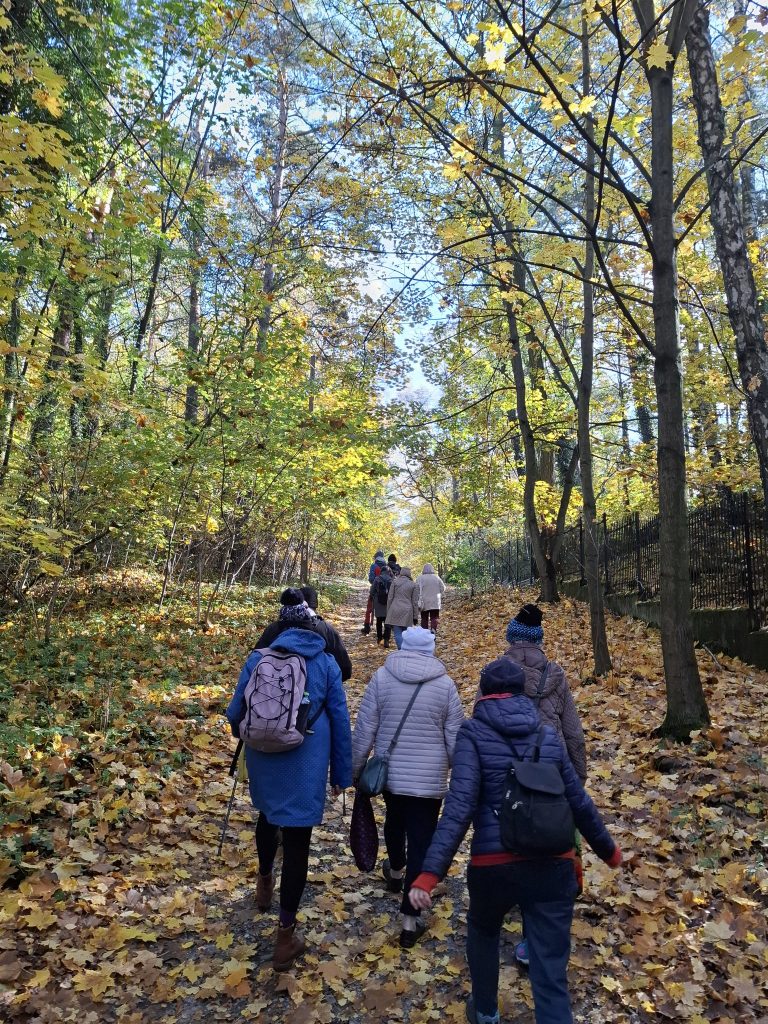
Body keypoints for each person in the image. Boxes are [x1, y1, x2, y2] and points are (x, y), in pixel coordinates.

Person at [408, 658, 622, 1024]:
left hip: (494, 865)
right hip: (553, 863)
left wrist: (429, 874)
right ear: (523, 693)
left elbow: (459, 807)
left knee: (483, 930)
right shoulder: (547, 736)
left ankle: (486, 1012)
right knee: (550, 968)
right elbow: (578, 802)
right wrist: (610, 852)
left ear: (483, 693)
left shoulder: (472, 734)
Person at [226, 602, 352, 972]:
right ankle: (285, 937)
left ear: (282, 628)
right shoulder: (326, 664)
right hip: (306, 762)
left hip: (264, 757)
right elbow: (340, 721)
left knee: (268, 817)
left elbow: (235, 713)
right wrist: (341, 775)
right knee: (298, 842)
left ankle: (264, 880)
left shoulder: (259, 658)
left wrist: (253, 738)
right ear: (313, 629)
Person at [352, 627, 464, 948]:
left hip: (392, 775)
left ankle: (396, 871)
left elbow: (365, 729)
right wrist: (456, 772)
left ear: (402, 647)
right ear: (431, 650)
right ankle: (409, 922)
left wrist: (355, 770)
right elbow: (455, 741)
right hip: (429, 781)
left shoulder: (381, 679)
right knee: (421, 842)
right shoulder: (445, 686)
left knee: (394, 821)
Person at [253, 587, 352, 682]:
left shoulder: (273, 628)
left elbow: (254, 662)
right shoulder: (325, 629)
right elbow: (345, 669)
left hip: (272, 689)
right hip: (315, 690)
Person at [384, 566, 420, 649]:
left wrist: (388, 612)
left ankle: (401, 649)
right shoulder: (413, 585)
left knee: (397, 633)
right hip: (408, 611)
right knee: (406, 633)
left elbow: (390, 598)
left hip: (395, 609)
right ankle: (406, 650)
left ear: (401, 572)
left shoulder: (395, 582)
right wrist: (415, 616)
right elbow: (415, 602)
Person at [415, 563, 446, 633]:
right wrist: (438, 592)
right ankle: (433, 630)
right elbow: (443, 588)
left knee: (424, 618)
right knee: (434, 617)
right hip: (435, 601)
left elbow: (416, 589)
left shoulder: (420, 578)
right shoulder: (436, 577)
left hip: (424, 602)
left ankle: (425, 633)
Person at [362, 550, 388, 635]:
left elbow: (371, 579)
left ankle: (367, 627)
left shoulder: (374, 566)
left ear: (376, 557)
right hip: (386, 592)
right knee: (385, 610)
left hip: (375, 591)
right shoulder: (387, 566)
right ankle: (386, 631)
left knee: (369, 609)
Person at [371, 563, 394, 647]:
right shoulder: (392, 580)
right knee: (388, 622)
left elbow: (372, 591)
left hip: (378, 603)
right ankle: (386, 640)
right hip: (389, 603)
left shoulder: (377, 579)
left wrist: (375, 597)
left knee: (379, 621)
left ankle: (379, 638)